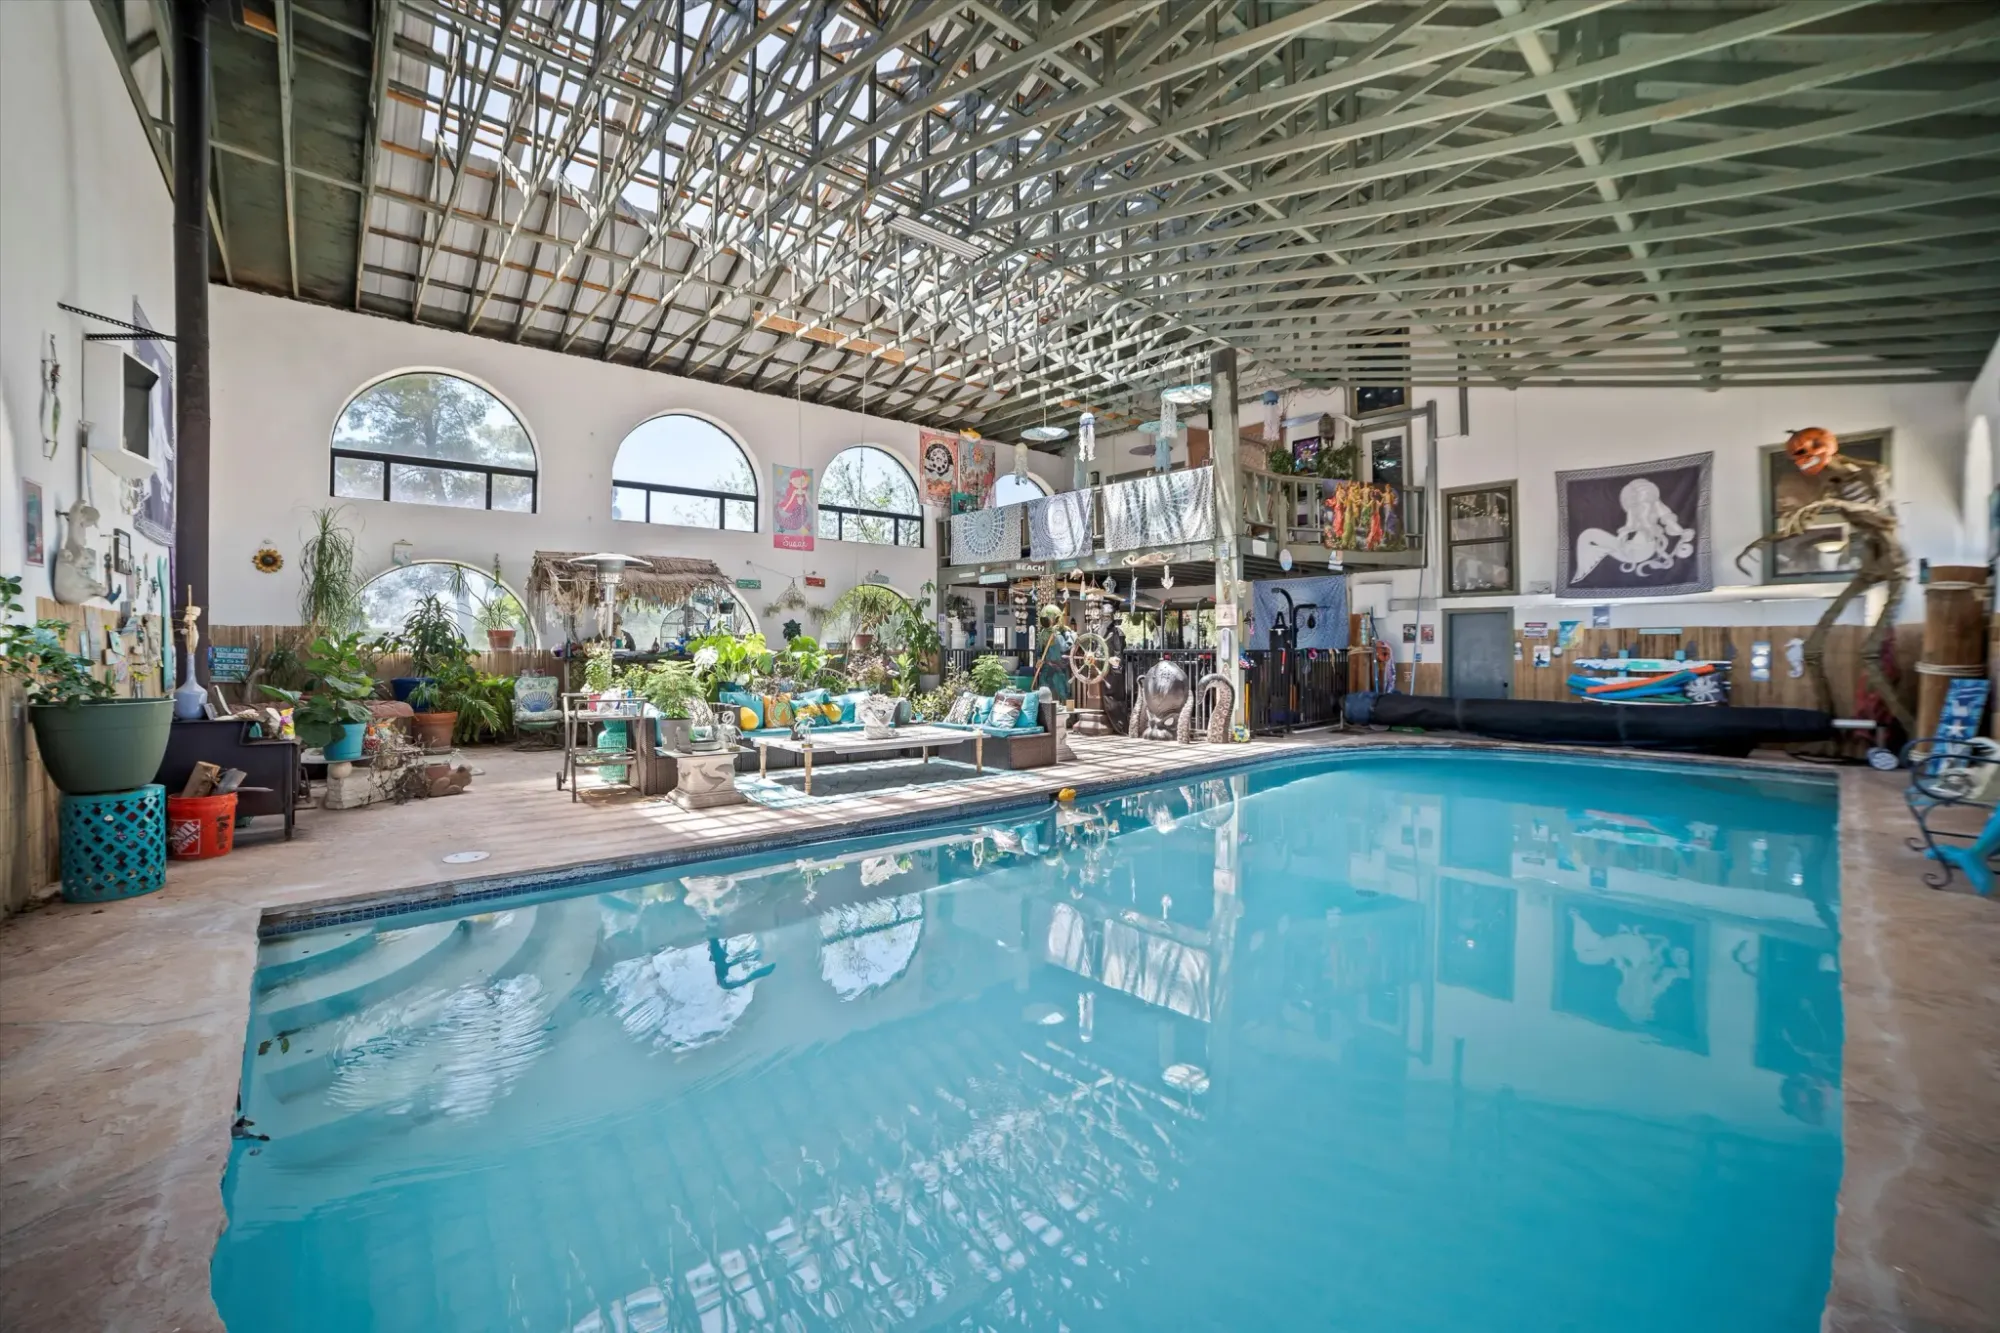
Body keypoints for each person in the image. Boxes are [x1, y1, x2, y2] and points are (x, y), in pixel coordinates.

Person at [1574, 477, 1695, 582]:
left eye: (1644, 496)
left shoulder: (1657, 506)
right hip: (1631, 545)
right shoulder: (1633, 509)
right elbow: (1628, 528)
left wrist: (1681, 532)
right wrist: (1622, 539)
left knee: (1595, 541)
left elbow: (1670, 522)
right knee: (1588, 535)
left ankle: (1595, 557)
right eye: (1637, 496)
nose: (1641, 500)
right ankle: (1584, 568)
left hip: (1645, 548)